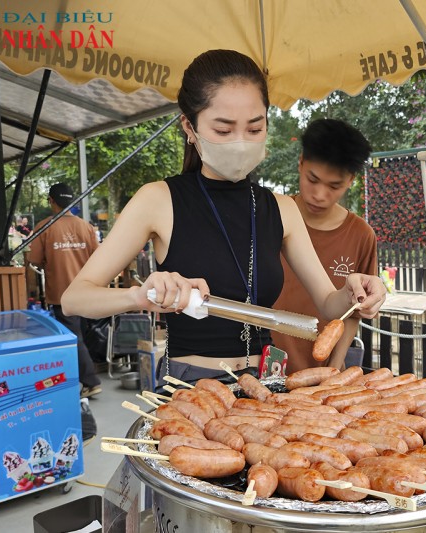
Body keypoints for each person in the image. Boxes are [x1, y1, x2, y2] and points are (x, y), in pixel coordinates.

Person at [60, 49, 386, 386]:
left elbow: (329, 304)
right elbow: (75, 299)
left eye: (254, 127)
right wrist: (139, 296)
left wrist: (355, 294)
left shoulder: (281, 208)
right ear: (189, 126)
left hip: (267, 383)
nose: (241, 143)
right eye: (224, 130)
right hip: (192, 385)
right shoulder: (158, 200)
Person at [272, 119, 377, 373]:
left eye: (334, 186)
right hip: (263, 364)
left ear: (350, 180)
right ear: (300, 163)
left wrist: (334, 366)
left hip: (320, 370)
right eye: (313, 179)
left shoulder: (361, 235)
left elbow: (354, 313)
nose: (319, 194)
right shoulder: (271, 216)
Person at [28, 183, 103, 398]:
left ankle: (91, 380)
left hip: (62, 294)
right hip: (88, 292)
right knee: (84, 335)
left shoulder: (44, 227)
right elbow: (97, 258)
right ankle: (88, 375)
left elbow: (34, 261)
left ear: (52, 201)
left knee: (73, 338)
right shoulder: (86, 227)